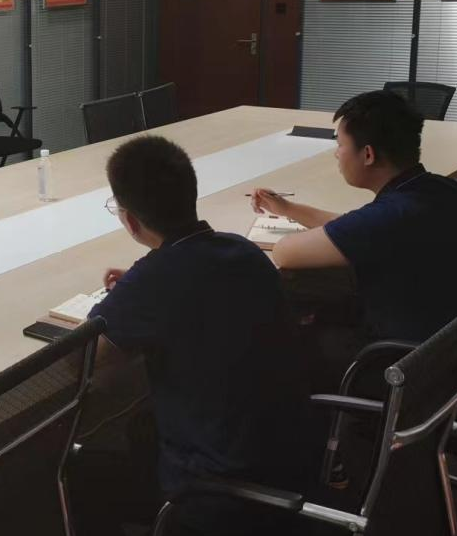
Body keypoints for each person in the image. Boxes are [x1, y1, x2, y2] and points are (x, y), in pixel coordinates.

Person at [90, 135, 311, 515]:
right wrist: (139, 289)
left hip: (221, 488)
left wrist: (130, 293)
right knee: (140, 427)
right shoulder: (244, 251)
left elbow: (86, 361)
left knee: (82, 474)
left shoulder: (151, 281)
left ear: (130, 220)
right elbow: (194, 286)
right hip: (290, 455)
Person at [250, 89, 457, 375]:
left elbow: (285, 252)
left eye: (340, 144)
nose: (336, 154)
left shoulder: (391, 216)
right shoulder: (438, 189)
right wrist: (289, 209)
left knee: (282, 341)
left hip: (417, 368)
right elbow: (353, 228)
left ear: (368, 154)